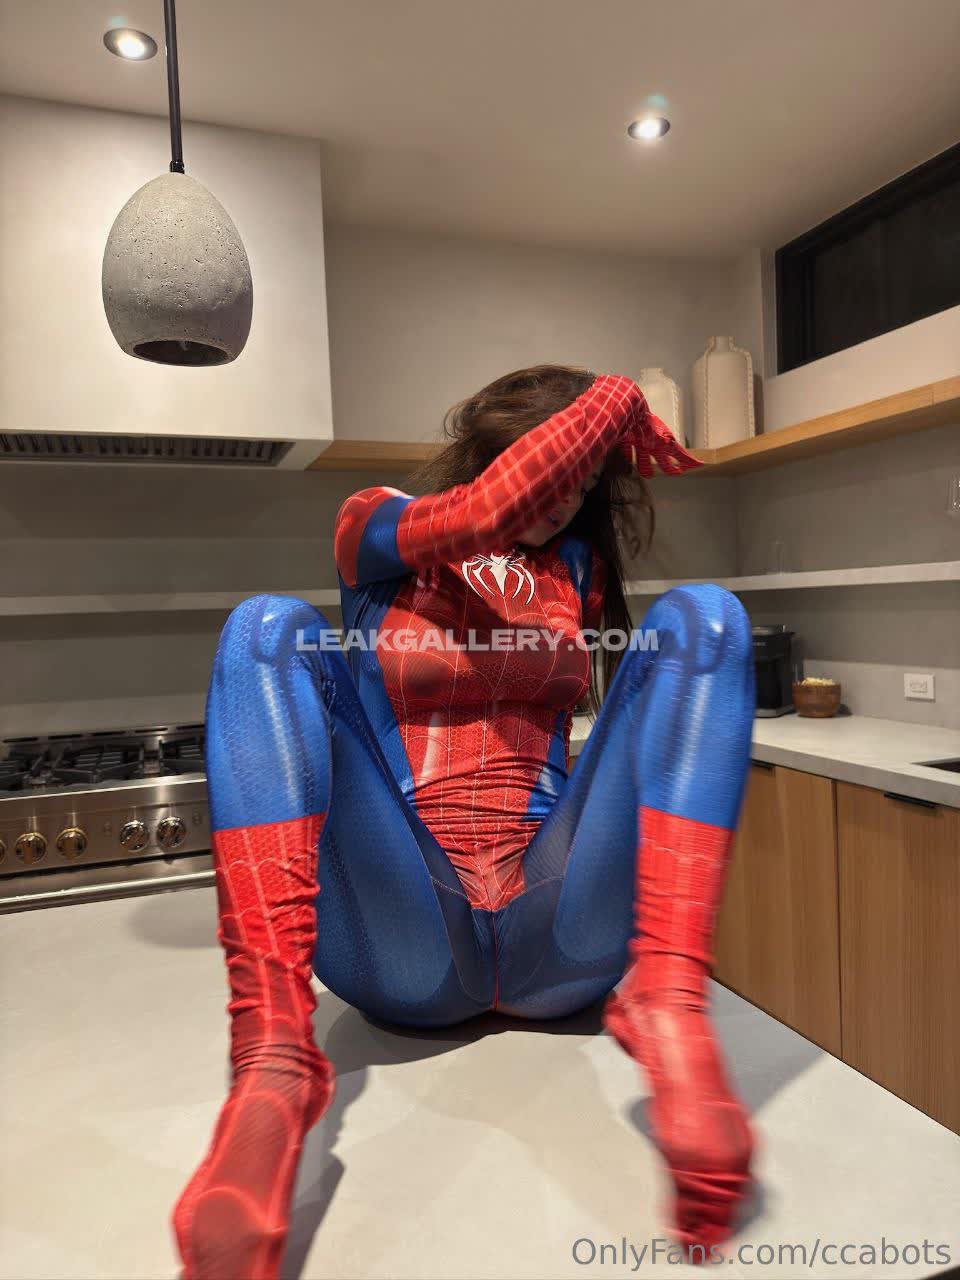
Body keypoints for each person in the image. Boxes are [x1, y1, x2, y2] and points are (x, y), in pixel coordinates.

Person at [172, 366, 756, 1280]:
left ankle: (670, 1000)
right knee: (266, 626)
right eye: (552, 473)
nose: (562, 504)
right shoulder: (374, 525)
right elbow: (485, 515)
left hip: (559, 945)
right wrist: (612, 401)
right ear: (490, 449)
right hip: (408, 940)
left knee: (708, 617)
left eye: (584, 486)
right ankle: (271, 1057)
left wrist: (593, 446)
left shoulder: (578, 570)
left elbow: (537, 543)